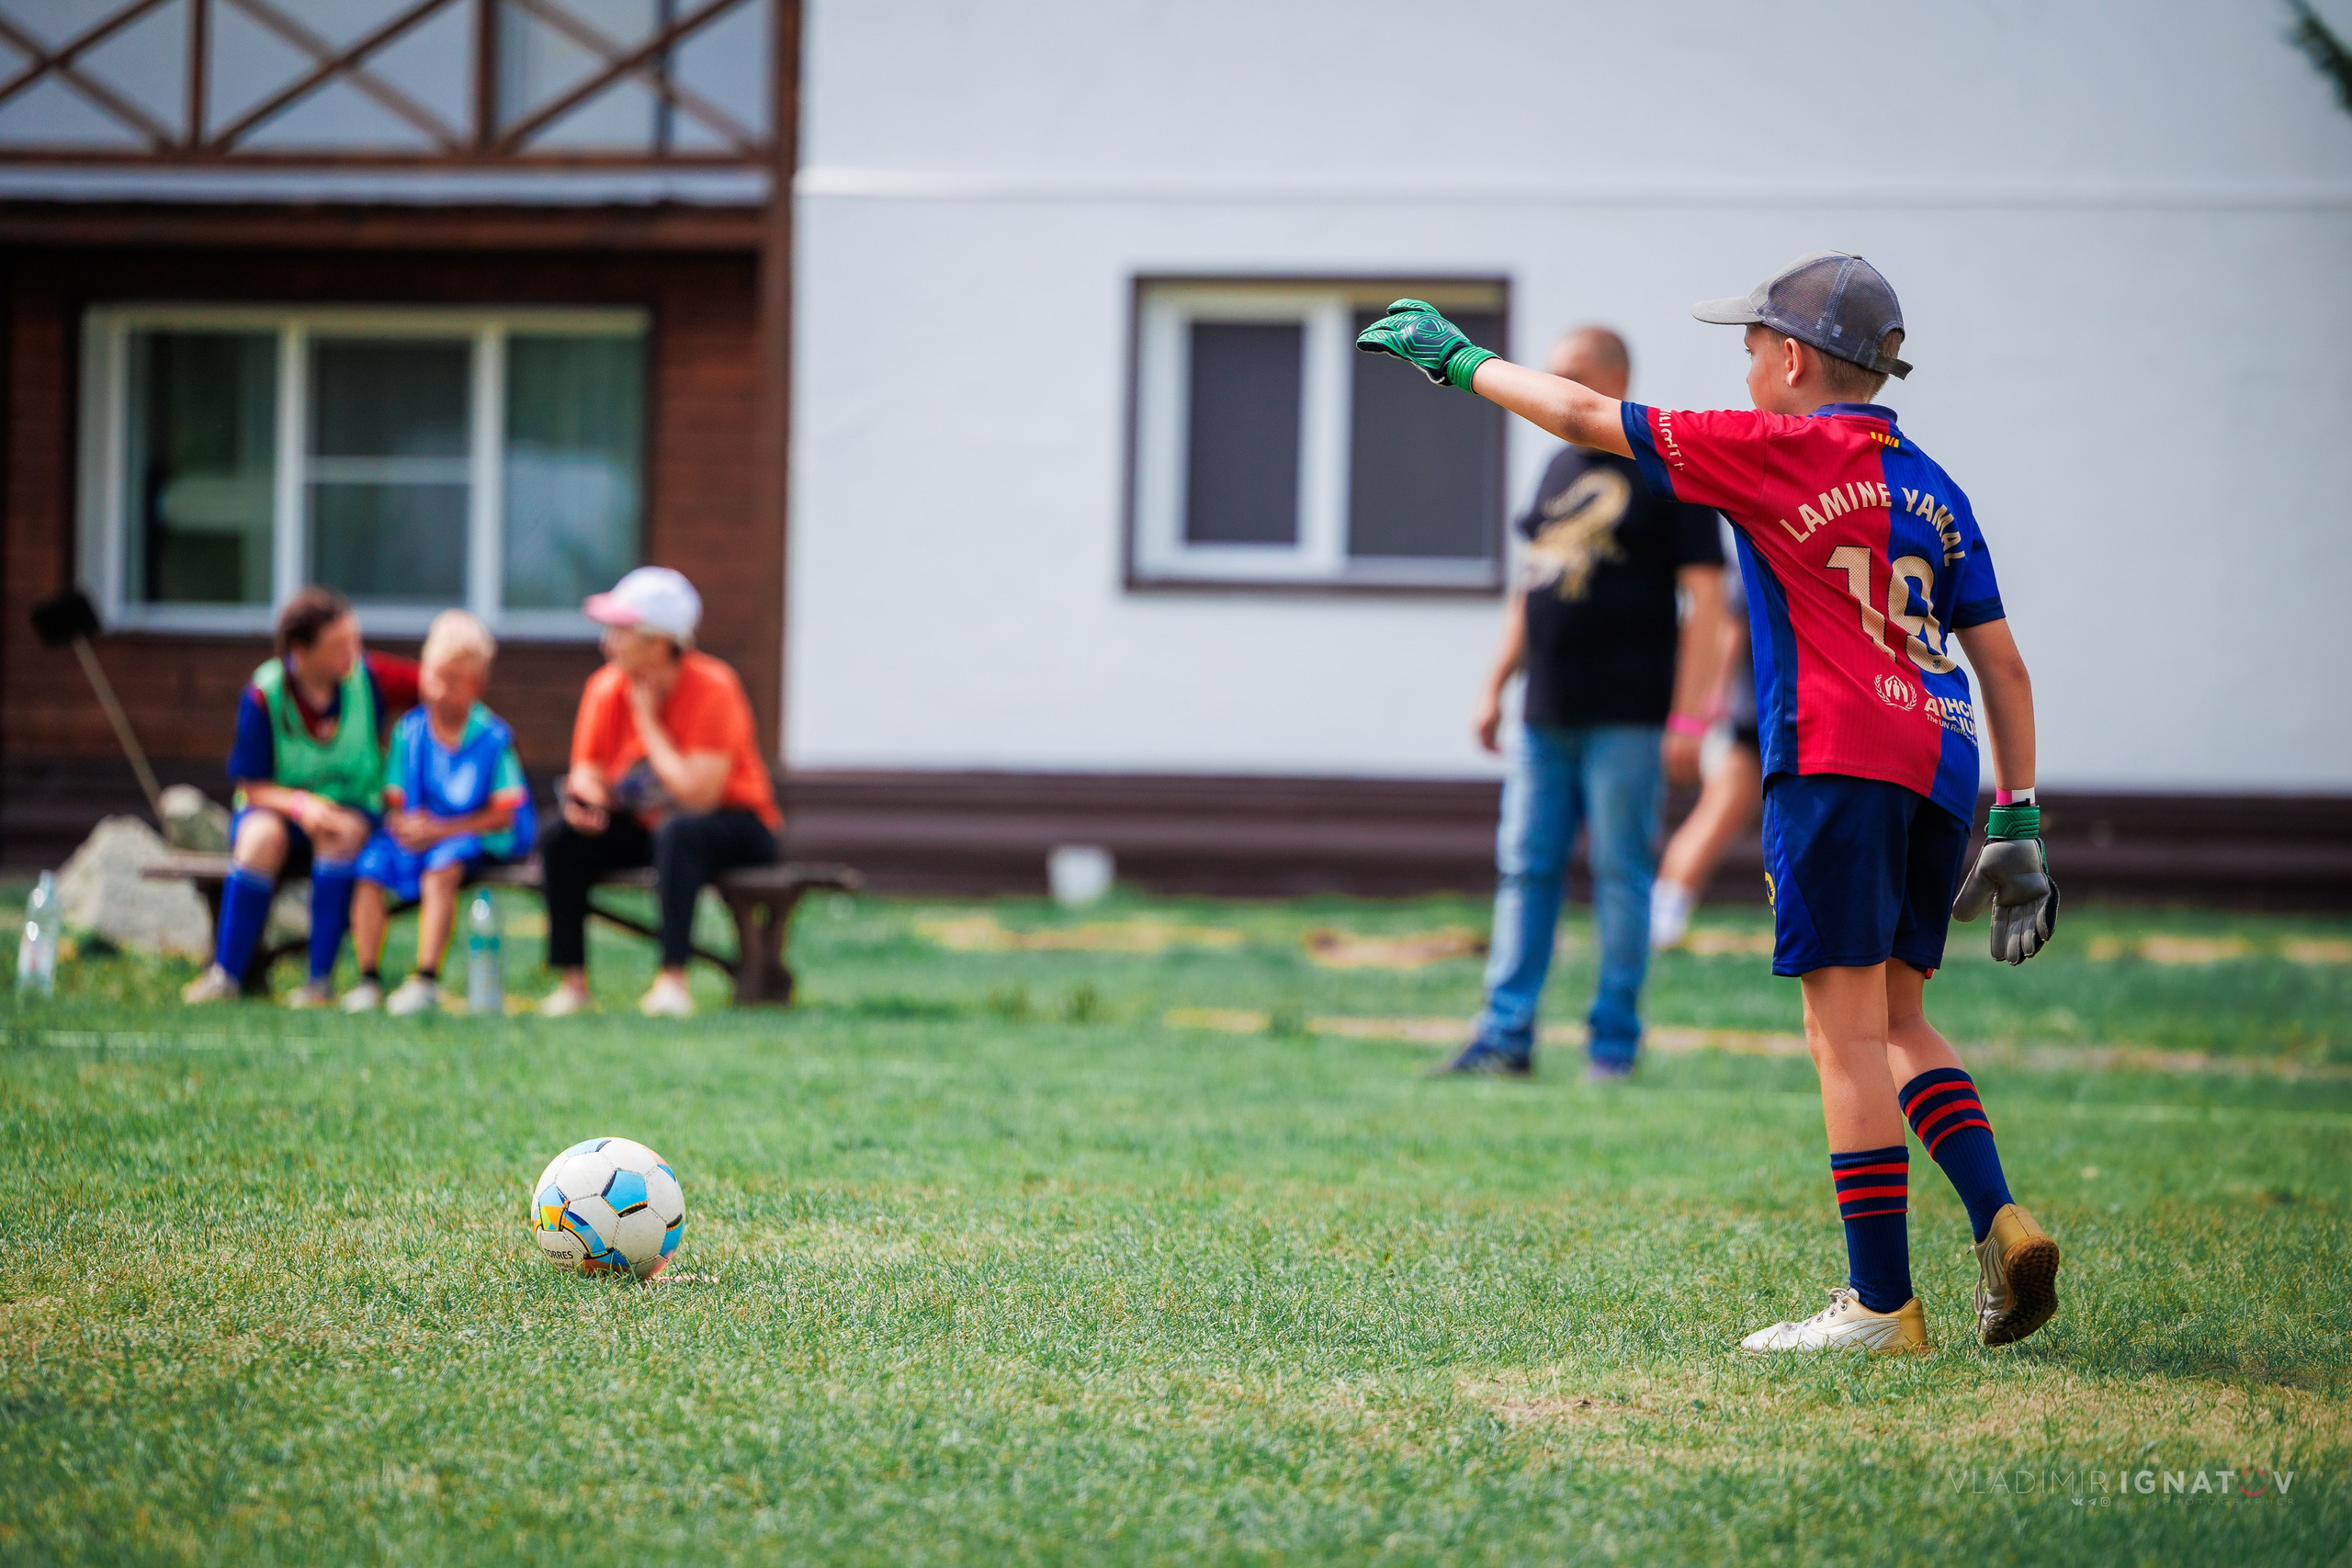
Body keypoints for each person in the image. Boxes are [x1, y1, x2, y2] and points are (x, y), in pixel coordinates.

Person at [1357, 252, 2063, 1354]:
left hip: (1832, 764)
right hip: (1939, 768)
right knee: (1899, 1020)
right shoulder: (1933, 484)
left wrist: (1459, 361)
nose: (1742, 369)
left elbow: (1582, 415)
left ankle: (1880, 1306)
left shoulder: (1769, 449)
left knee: (1842, 1037)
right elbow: (2003, 666)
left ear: (1794, 361)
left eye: (1750, 347)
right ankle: (1999, 1218)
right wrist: (2017, 818)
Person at [1436, 326, 1729, 1083]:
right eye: (1551, 373)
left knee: (1620, 873)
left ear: (1615, 381)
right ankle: (1504, 1035)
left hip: (1630, 718)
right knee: (1524, 869)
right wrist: (1493, 686)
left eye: (1571, 376)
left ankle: (1613, 1044)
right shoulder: (1556, 465)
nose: (1553, 389)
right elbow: (1530, 584)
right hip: (1545, 714)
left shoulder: (1666, 464)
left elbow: (1707, 602)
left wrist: (1690, 719)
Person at [537, 567, 780, 1019]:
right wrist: (585, 803)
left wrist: (648, 722)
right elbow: (586, 770)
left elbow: (699, 797)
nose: (607, 642)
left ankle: (673, 982)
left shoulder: (714, 687)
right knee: (560, 838)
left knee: (679, 833)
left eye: (620, 631)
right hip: (651, 825)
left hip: (736, 824)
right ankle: (573, 986)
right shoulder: (604, 687)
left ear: (657, 642)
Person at [183, 587, 419, 1007]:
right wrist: (301, 805)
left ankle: (318, 983)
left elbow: (435, 684)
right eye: (338, 645)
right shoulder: (265, 693)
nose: (353, 652)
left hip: (351, 808)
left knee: (339, 832)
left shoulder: (369, 676)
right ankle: (226, 976)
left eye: (354, 640)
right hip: (279, 810)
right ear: (301, 652)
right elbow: (251, 785)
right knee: (259, 839)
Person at [344, 610, 537, 1017]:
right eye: (433, 677)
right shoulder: (409, 731)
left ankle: (425, 978)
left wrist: (440, 831)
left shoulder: (492, 737)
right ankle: (368, 979)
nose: (439, 690)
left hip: (468, 838)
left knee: (442, 869)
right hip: (417, 837)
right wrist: (402, 823)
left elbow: (504, 813)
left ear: (476, 686)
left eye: (453, 682)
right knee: (370, 866)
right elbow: (394, 799)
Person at [1650, 558, 1764, 950]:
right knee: (1717, 816)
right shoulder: (1754, 556)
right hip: (1752, 716)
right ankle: (1662, 918)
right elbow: (1730, 626)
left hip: (1761, 712)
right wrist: (1716, 693)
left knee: (1722, 817)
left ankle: (1663, 916)